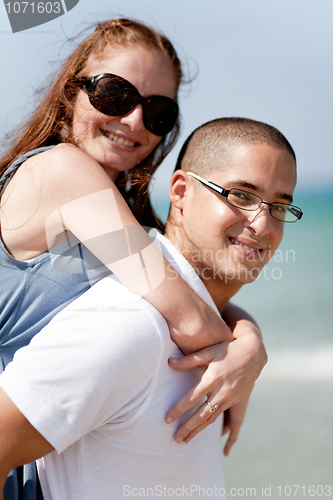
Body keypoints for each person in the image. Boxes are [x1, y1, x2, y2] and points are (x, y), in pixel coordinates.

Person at [0, 19, 266, 500]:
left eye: (158, 112)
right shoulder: (61, 170)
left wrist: (248, 337)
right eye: (115, 96)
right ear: (71, 91)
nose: (135, 122)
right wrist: (242, 351)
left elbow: (193, 294)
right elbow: (188, 315)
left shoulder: (125, 211)